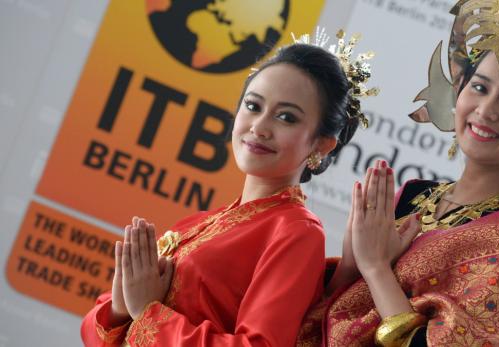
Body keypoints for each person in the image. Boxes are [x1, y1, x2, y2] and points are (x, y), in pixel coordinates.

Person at [296, 1, 499, 346]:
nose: (486, 110)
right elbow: (330, 313)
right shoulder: (415, 194)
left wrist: (375, 267)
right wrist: (350, 262)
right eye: (479, 87)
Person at [81, 30, 378, 347]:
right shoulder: (198, 223)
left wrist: (148, 312)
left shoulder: (296, 232)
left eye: (286, 117)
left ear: (321, 144)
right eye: (253, 106)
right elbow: (94, 331)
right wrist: (120, 307)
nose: (260, 127)